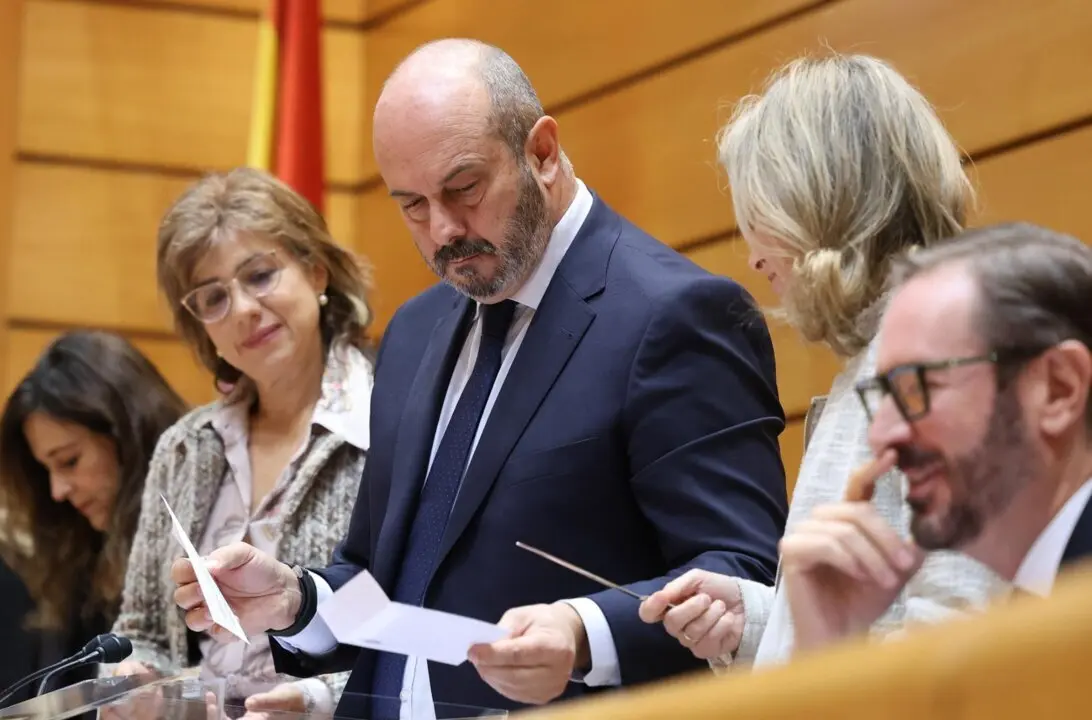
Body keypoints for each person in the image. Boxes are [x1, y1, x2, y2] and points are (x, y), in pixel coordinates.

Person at [170, 38, 788, 718]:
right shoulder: (413, 332)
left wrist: (584, 633)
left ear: (542, 152)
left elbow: (743, 576)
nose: (442, 231)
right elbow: (389, 581)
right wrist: (296, 600)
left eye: (463, 188)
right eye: (411, 205)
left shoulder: (673, 314)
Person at [638, 54, 1004, 667]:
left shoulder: (947, 355)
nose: (753, 257)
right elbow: (853, 622)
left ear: (820, 198)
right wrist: (751, 618)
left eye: (759, 215)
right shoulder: (892, 350)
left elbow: (955, 644)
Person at [109, 167, 376, 717]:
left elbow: (412, 621)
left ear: (317, 270)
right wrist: (137, 681)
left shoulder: (391, 423)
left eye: (259, 276)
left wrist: (320, 699)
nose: (244, 310)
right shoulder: (184, 448)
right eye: (213, 297)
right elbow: (141, 631)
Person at [779, 222, 1092, 653]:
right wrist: (831, 647)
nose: (881, 435)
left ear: (1058, 388)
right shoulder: (1035, 609)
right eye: (883, 394)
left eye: (916, 388)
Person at [0, 331, 186, 700]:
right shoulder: (77, 549)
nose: (57, 491)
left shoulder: (204, 524)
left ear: (127, 434)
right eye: (46, 470)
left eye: (70, 461)